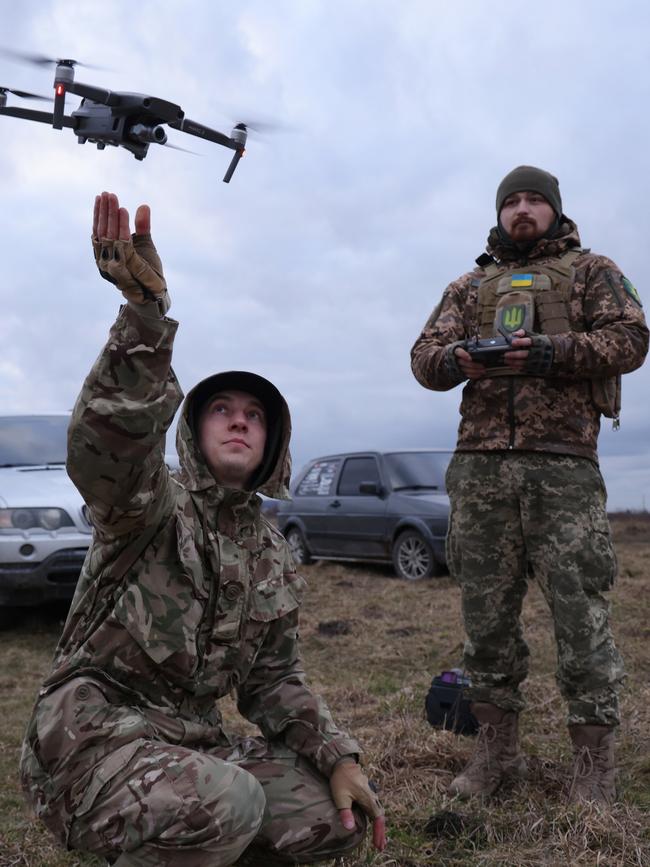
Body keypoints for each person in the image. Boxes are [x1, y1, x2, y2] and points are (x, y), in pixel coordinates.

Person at [20, 191, 386, 866]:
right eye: (222, 407)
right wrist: (144, 314)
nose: (240, 419)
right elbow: (108, 442)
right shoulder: (147, 504)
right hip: (90, 745)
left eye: (255, 412)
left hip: (190, 746)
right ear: (194, 429)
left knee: (329, 820)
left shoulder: (271, 552)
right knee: (231, 802)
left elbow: (274, 678)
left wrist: (337, 754)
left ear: (274, 439)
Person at [410, 166, 648, 805]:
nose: (522, 210)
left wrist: (551, 353)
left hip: (563, 467)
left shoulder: (593, 271)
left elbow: (630, 338)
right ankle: (495, 755)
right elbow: (422, 358)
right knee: (485, 619)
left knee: (581, 616)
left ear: (554, 210)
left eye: (533, 200)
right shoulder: (470, 285)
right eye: (511, 200)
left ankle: (594, 769)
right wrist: (459, 359)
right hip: (480, 468)